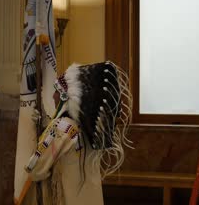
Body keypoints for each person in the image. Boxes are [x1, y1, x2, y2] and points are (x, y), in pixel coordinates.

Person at [24, 61, 133, 205]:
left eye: (57, 90)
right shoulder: (87, 128)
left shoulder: (61, 128)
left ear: (65, 96)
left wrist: (36, 133)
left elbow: (35, 169)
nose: (53, 96)